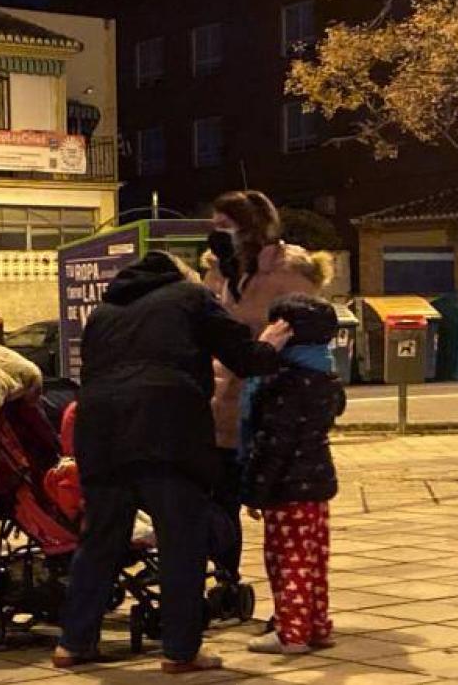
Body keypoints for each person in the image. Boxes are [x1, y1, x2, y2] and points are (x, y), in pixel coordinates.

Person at [55, 251, 292, 674]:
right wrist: (269, 345)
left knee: (100, 541)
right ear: (180, 274)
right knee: (182, 541)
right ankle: (181, 651)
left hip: (99, 431)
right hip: (166, 430)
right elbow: (242, 356)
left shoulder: (105, 311)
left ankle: (73, 643)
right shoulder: (189, 295)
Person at [205, 190, 330, 584]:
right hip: (219, 406)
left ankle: (292, 607)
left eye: (225, 225)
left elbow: (305, 336)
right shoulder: (219, 272)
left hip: (271, 409)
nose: (216, 233)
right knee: (219, 503)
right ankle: (227, 582)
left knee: (280, 511)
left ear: (251, 228)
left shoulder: (290, 273)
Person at [243, 294, 344, 655]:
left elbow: (274, 444)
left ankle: (292, 631)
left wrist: (254, 492)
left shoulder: (284, 384)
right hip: (316, 482)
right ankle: (316, 625)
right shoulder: (324, 376)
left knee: (288, 561)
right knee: (313, 559)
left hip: (287, 486)